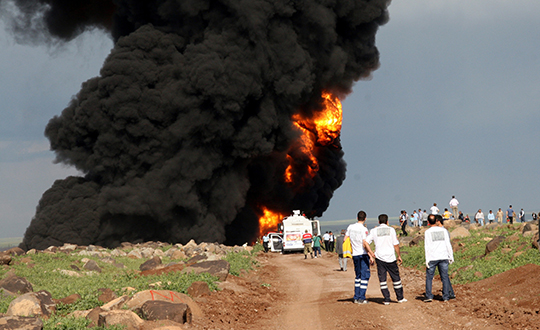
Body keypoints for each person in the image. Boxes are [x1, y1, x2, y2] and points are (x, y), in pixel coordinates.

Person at [365, 214, 407, 305]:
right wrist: (399, 255)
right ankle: (400, 298)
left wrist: (371, 253)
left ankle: (386, 299)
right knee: (396, 279)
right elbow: (395, 244)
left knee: (382, 279)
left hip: (379, 258)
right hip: (391, 257)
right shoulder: (391, 230)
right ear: (387, 221)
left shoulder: (374, 230)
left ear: (379, 222)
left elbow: (365, 242)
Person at [345, 211, 375, 304]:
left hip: (355, 254)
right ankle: (361, 298)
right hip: (363, 254)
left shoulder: (350, 227)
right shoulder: (364, 229)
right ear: (365, 218)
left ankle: (356, 297)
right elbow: (364, 243)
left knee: (357, 276)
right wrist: (371, 254)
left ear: (357, 218)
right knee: (365, 276)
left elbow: (345, 239)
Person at [424, 214, 455, 302]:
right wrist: (450, 256)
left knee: (429, 277)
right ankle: (446, 296)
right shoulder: (444, 231)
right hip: (443, 256)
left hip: (433, 257)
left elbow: (427, 246)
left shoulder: (427, 232)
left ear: (428, 222)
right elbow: (448, 244)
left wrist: (427, 259)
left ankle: (429, 296)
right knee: (444, 277)